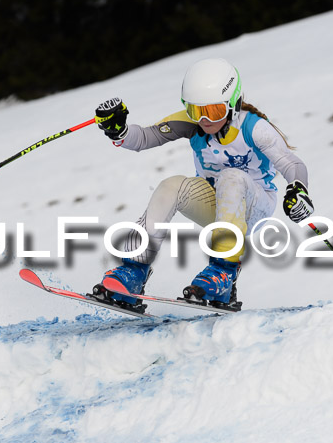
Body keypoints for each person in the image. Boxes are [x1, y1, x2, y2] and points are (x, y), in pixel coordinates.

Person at [92, 57, 313, 313]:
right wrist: (119, 130)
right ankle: (134, 272)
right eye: (196, 111)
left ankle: (224, 270)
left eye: (215, 111)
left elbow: (292, 164)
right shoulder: (192, 124)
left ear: (233, 104)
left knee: (232, 176)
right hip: (219, 208)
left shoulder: (255, 128)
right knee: (171, 185)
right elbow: (144, 138)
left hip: (255, 208)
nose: (205, 120)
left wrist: (298, 189)